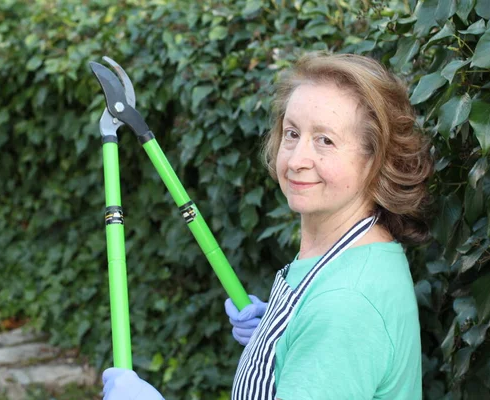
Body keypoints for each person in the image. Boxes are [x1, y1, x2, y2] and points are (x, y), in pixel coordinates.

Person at [101, 52, 432, 400]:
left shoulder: (344, 305)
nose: (297, 159)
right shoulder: (352, 255)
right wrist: (283, 340)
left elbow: (340, 327)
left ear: (375, 158)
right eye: (292, 133)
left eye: (325, 140)